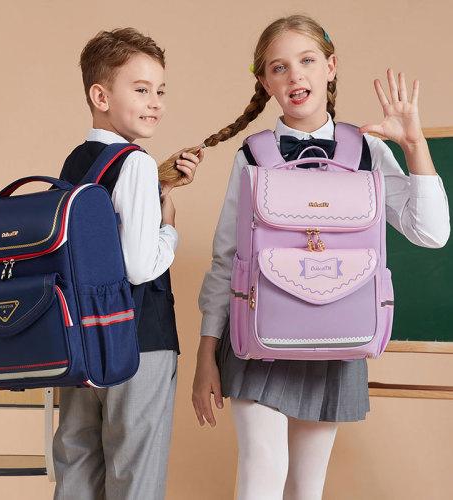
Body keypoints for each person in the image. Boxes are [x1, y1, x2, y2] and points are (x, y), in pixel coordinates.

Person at [192, 15, 449, 500]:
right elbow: (227, 260)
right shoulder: (252, 155)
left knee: (307, 490)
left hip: (337, 337)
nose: (295, 75)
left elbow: (432, 233)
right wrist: (207, 353)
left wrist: (414, 145)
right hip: (258, 336)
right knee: (261, 476)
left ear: (330, 67)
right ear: (264, 82)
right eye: (279, 67)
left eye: (307, 60)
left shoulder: (367, 150)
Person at [52, 28, 202, 500]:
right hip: (138, 341)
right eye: (140, 90)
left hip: (82, 341)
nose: (155, 103)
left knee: (77, 467)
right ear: (101, 96)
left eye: (160, 91)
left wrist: (159, 191)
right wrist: (168, 226)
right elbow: (138, 266)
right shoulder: (134, 162)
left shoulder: (76, 162)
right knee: (134, 476)